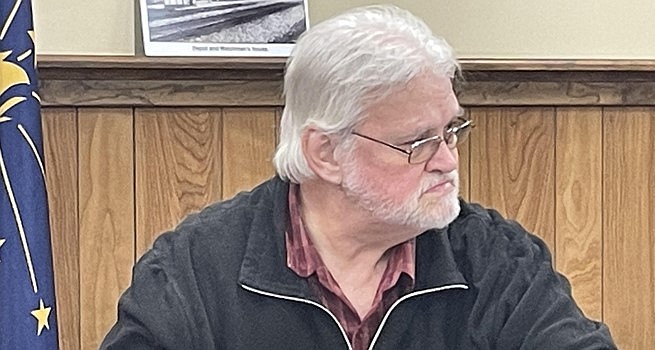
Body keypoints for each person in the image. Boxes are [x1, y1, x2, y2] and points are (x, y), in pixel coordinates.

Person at [101, 5, 617, 350]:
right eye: (419, 143)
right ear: (325, 153)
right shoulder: (195, 268)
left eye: (452, 131)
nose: (448, 161)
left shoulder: (496, 257)